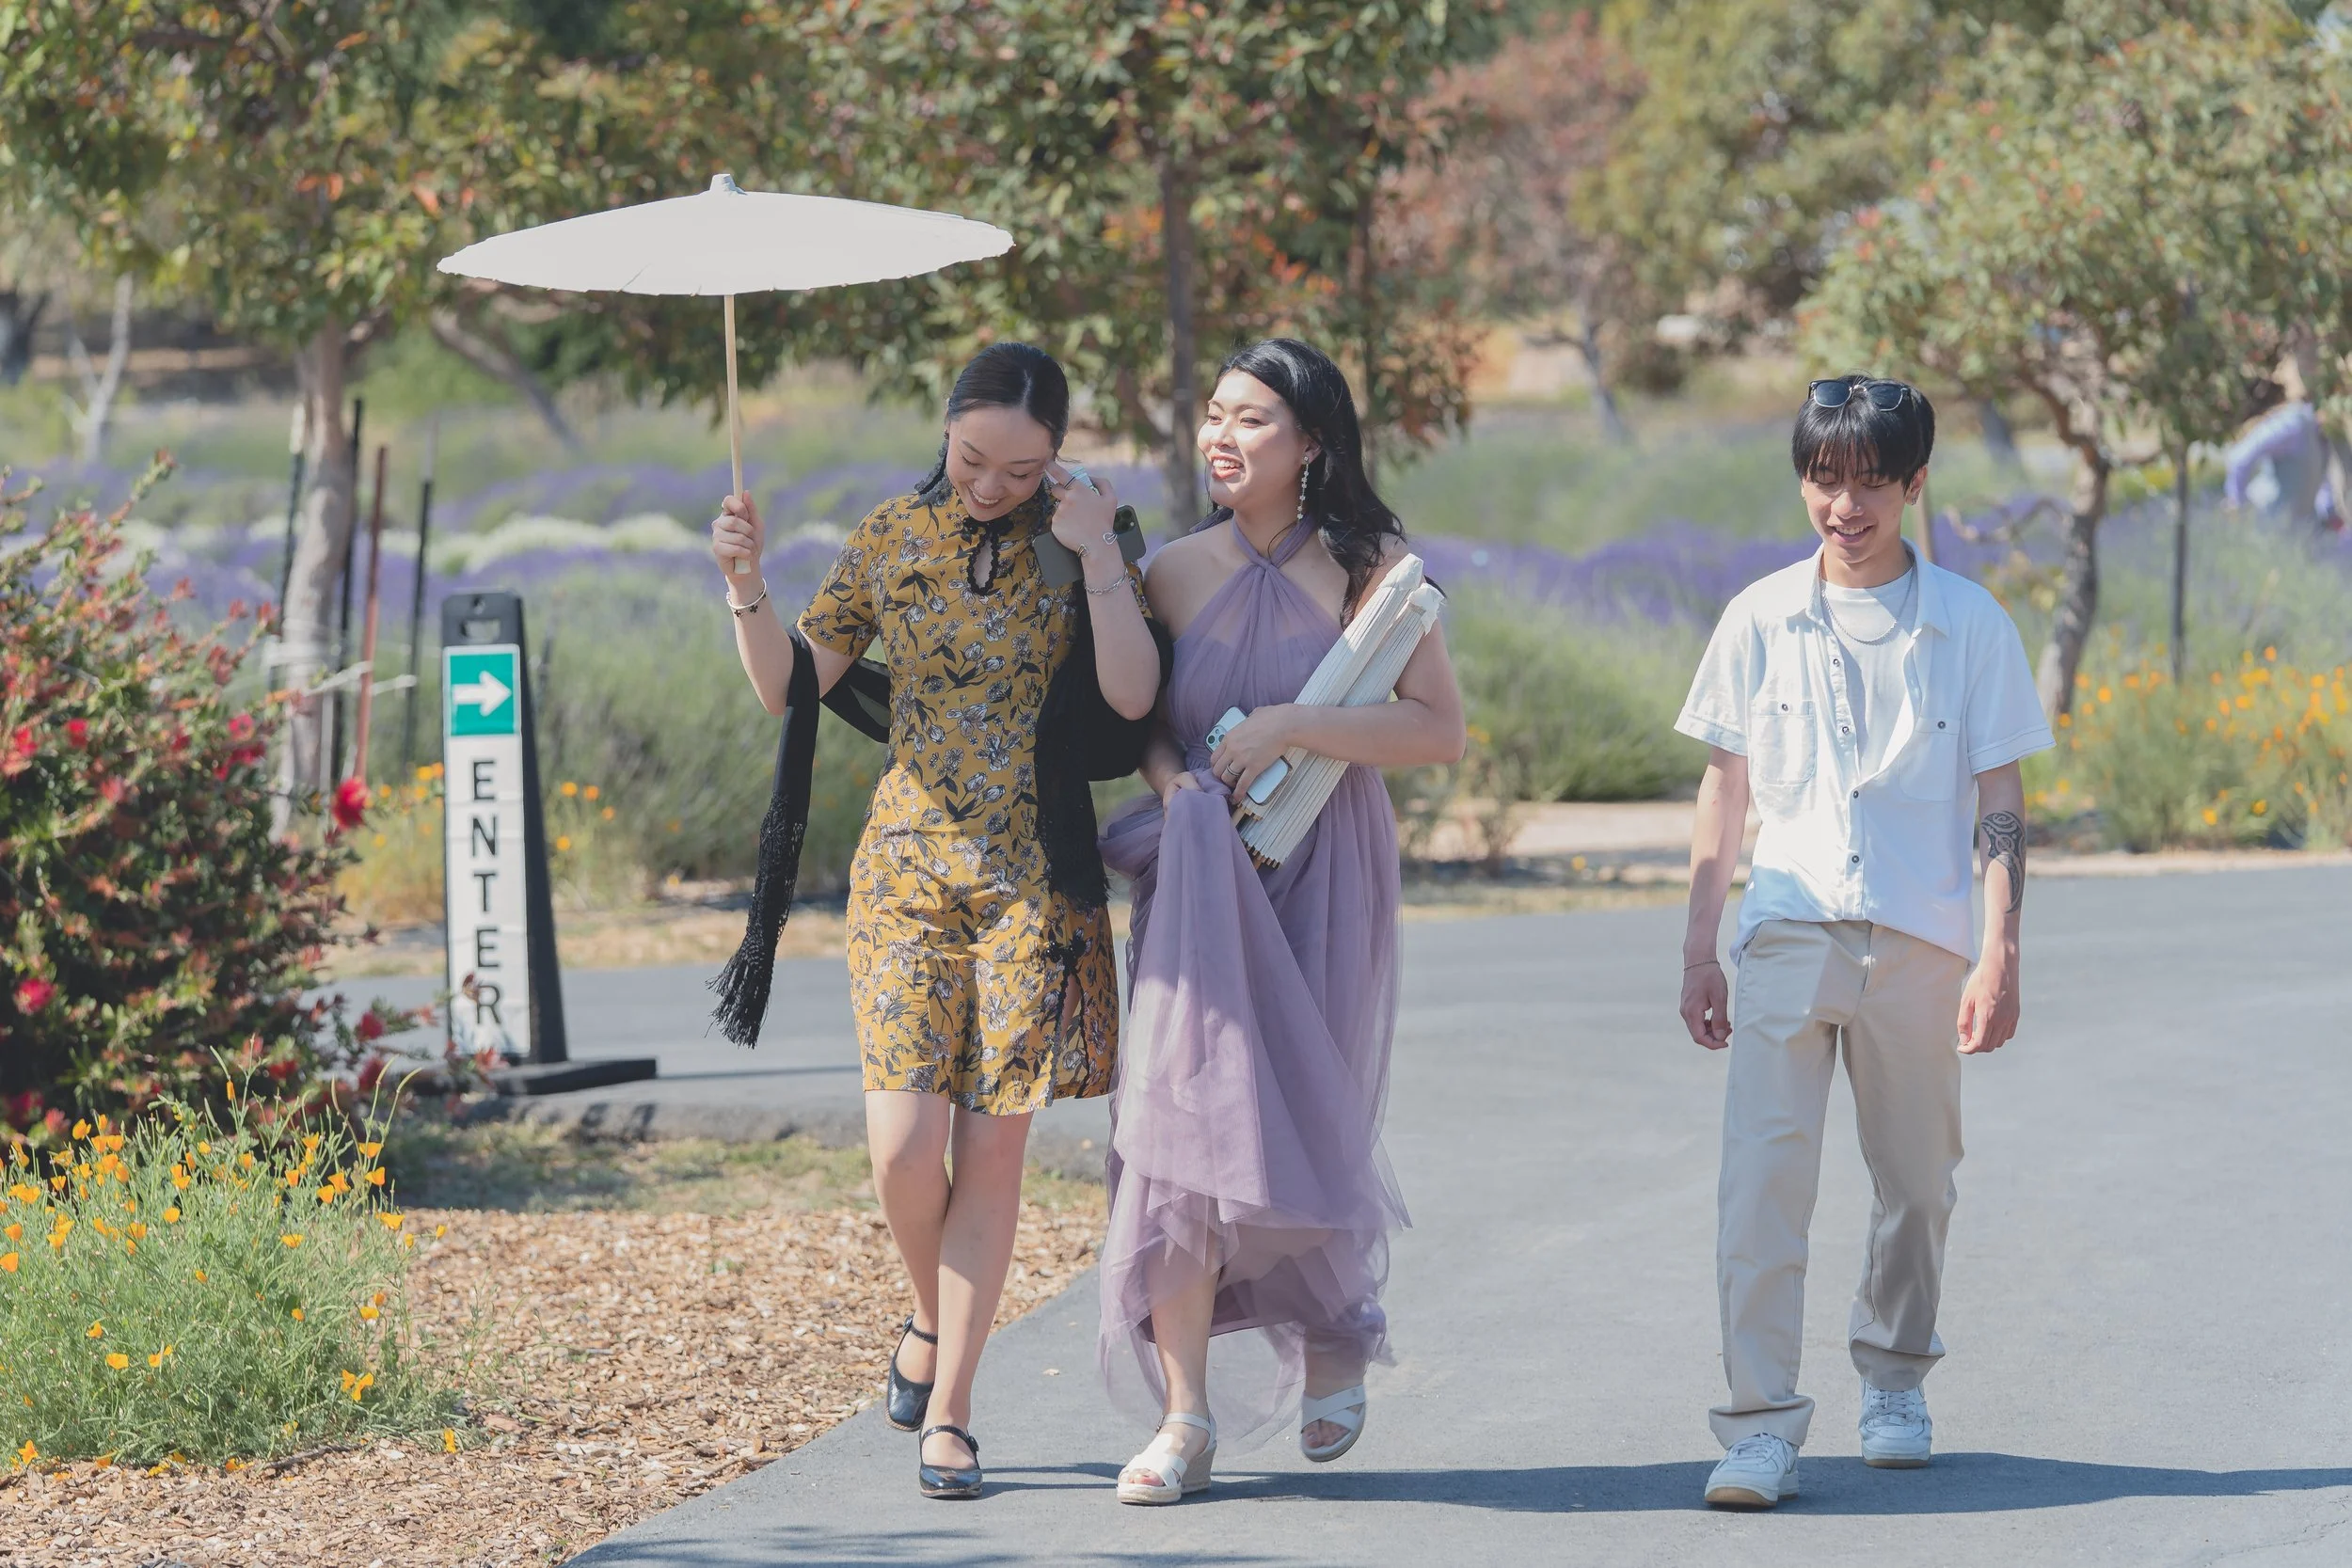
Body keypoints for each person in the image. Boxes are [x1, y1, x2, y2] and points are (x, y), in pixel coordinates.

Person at [706, 343, 1165, 1500]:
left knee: (990, 1153)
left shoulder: (1089, 541)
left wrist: (1099, 552)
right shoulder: (889, 537)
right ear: (946, 430)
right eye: (973, 458)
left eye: (1023, 466)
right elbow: (787, 688)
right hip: (903, 874)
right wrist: (746, 585)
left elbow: (1129, 695)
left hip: (1032, 884)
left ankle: (951, 1406)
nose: (991, 484)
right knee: (903, 1151)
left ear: (1057, 454)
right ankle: (928, 1313)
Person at [1094, 338, 1466, 1505]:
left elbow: (1434, 730)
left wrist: (1298, 725)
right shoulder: (1170, 570)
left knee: (1299, 1110)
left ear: (1310, 443)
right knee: (1178, 1123)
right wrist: (1174, 788)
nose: (1222, 437)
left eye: (1251, 420)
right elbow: (1143, 727)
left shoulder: (1375, 571)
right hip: (1200, 870)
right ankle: (1186, 1414)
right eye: (1212, 415)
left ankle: (1335, 1331)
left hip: (1320, 865)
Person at [1674, 374, 2055, 1509]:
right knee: (1760, 1190)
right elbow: (1722, 789)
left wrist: (2001, 952)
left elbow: (2000, 794)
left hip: (1920, 937)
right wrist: (1699, 946)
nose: (1844, 504)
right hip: (1788, 928)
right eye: (1824, 478)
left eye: (1869, 482)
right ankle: (1757, 1425)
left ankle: (1894, 1380)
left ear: (1914, 483)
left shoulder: (1972, 623)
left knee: (1917, 1184)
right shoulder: (1756, 616)